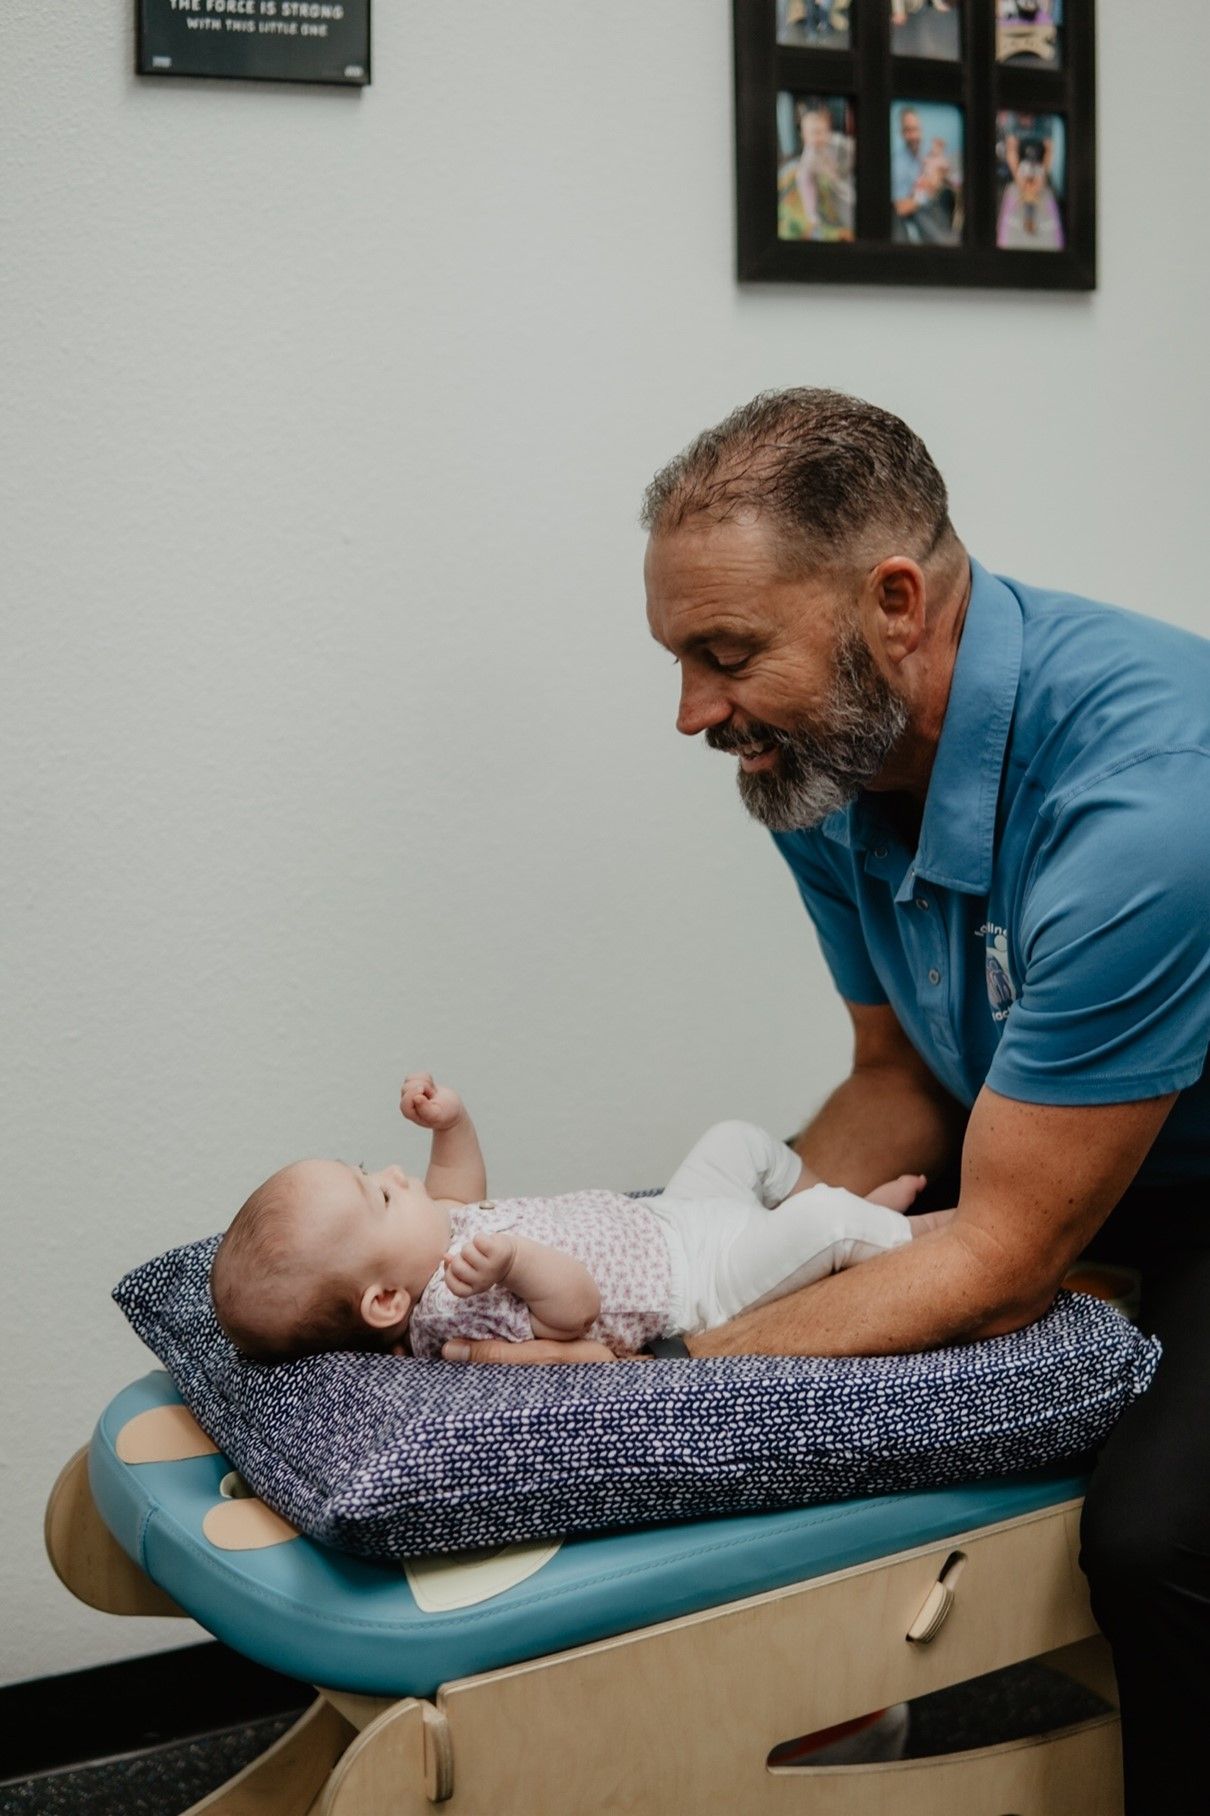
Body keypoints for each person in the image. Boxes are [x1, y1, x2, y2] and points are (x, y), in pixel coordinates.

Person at [444, 388, 1210, 1813]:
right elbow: (900, 1076)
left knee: (1157, 1541)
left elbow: (1003, 1255)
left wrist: (658, 1387)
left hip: (1161, 1186)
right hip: (1047, 1156)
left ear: (894, 604)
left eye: (726, 655)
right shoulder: (825, 761)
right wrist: (701, 1269)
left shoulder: (1149, 806)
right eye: (678, 660)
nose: (692, 712)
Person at [210, 1072, 935, 1363]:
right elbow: (577, 1318)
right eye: (382, 1197)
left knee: (737, 1141)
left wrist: (450, 1122)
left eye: (372, 1170)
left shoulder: (441, 1238)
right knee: (825, 1225)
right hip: (700, 1284)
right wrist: (517, 1263)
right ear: (385, 1302)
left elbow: (456, 1186)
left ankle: (842, 1213)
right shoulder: (453, 1317)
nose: (396, 1176)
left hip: (671, 1218)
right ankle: (919, 1235)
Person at [892, 107, 960, 245]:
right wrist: (925, 193)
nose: (914, 136)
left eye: (916, 129)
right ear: (902, 133)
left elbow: (947, 174)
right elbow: (900, 208)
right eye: (909, 130)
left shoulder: (926, 153)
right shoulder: (897, 164)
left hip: (937, 212)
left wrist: (942, 175)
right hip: (918, 219)